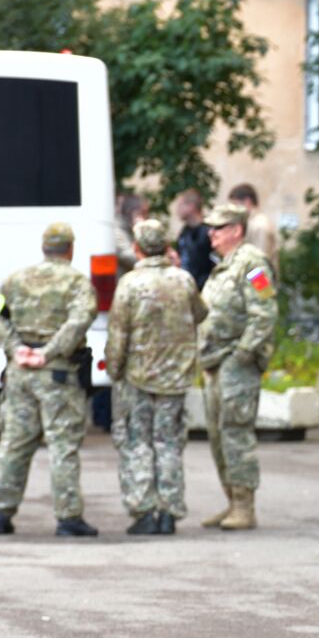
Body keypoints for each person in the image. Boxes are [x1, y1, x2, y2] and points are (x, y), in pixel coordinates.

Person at [0, 223, 99, 537]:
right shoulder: (78, 283)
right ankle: (67, 517)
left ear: (44, 248)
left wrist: (16, 348)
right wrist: (48, 353)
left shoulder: (14, 280)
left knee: (14, 445)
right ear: (70, 249)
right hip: (58, 375)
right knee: (62, 446)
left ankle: (0, 513)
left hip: (20, 373)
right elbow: (79, 321)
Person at [106, 218, 208, 535]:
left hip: (138, 377)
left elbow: (118, 334)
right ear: (167, 247)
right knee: (168, 444)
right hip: (175, 378)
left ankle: (144, 512)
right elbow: (201, 313)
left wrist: (114, 369)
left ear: (136, 249)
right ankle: (169, 512)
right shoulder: (184, 280)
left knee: (138, 444)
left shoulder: (130, 285)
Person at [198, 202, 277, 530]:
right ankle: (231, 501)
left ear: (236, 230)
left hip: (235, 361)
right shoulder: (224, 265)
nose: (211, 234)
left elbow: (264, 313)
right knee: (217, 435)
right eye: (211, 228)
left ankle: (245, 506)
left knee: (235, 433)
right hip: (215, 360)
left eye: (218, 228)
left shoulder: (253, 264)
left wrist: (243, 354)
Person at [227, 183, 279, 279]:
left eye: (235, 205)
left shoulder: (260, 225)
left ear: (247, 202)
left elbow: (260, 263)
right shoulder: (250, 222)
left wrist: (257, 291)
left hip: (260, 284)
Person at [175, 189, 215, 290]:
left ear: (191, 206)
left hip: (205, 287)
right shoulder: (184, 231)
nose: (177, 210)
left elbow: (261, 289)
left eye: (180, 205)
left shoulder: (208, 232)